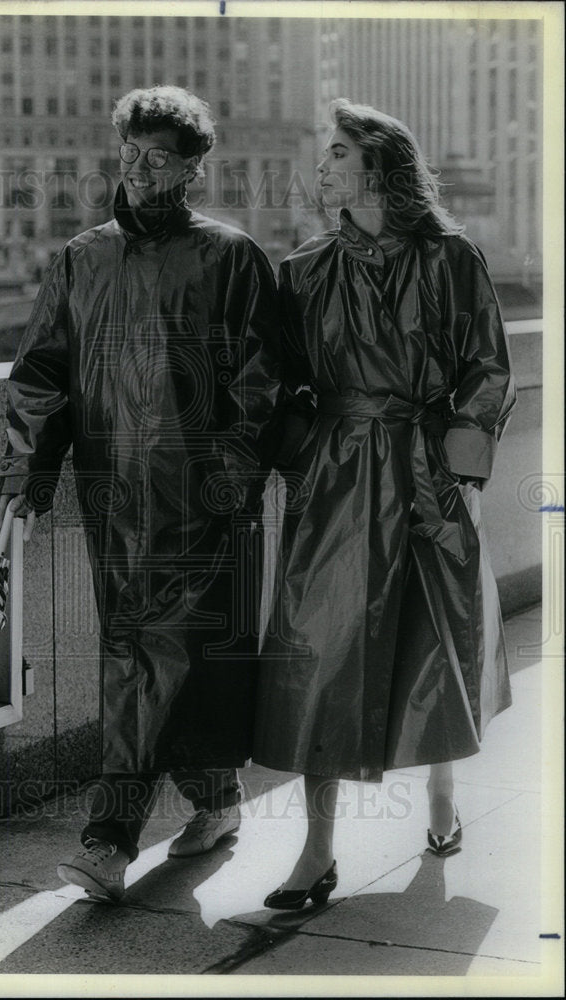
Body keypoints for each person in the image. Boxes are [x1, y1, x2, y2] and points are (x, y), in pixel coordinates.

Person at [0, 86, 281, 903]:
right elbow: (41, 371)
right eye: (128, 150)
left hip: (202, 500)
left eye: (158, 154)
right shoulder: (84, 255)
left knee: (156, 658)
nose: (137, 165)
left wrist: (229, 477)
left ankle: (106, 839)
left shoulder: (231, 257)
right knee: (149, 656)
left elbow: (264, 380)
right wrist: (26, 473)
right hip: (112, 496)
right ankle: (218, 801)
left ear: (193, 168)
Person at [254, 99, 516, 909]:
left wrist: (459, 476)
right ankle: (317, 850)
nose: (322, 167)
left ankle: (439, 790)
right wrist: (296, 448)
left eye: (337, 153)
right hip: (335, 478)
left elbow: (485, 366)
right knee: (318, 652)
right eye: (322, 155)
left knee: (428, 641)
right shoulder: (301, 270)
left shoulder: (449, 258)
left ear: (379, 165)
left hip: (422, 468)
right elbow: (272, 380)